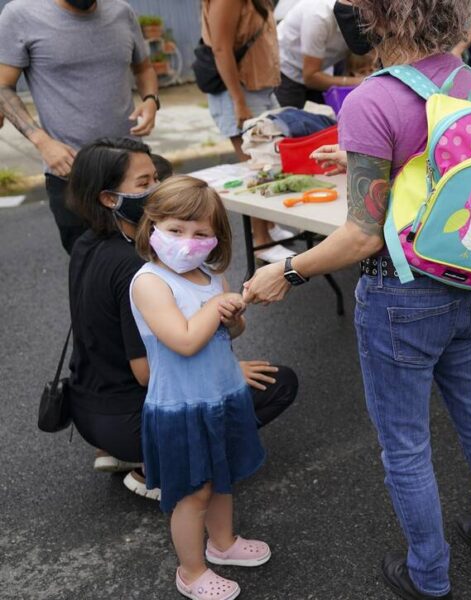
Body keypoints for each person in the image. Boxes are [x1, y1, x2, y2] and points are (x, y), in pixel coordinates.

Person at [244, 1, 471, 598]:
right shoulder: (461, 73)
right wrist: (362, 157)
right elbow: (441, 151)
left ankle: (429, 575)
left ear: (378, 18)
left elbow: (360, 235)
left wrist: (286, 271)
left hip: (402, 294)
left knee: (405, 443)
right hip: (469, 276)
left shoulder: (374, 98)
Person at [66, 140, 298, 501]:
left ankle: (123, 451)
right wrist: (227, 370)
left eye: (156, 177)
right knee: (279, 383)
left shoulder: (87, 243)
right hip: (136, 412)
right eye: (144, 184)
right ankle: (155, 468)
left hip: (89, 407)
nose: (157, 189)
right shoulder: (140, 271)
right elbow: (147, 371)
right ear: (109, 198)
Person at [130, 176, 270, 599]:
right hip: (181, 406)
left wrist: (233, 318)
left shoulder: (211, 276)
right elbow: (186, 340)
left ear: (216, 239)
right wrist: (214, 309)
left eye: (201, 233)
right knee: (193, 492)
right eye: (175, 230)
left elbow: (227, 333)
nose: (187, 241)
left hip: (222, 395)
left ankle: (223, 544)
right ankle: (191, 572)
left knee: (222, 477)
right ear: (152, 228)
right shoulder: (150, 282)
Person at [0, 0, 158, 255]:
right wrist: (42, 141)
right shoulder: (21, 13)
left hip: (132, 170)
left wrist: (151, 100)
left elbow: (144, 68)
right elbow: (2, 86)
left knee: (150, 260)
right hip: (72, 171)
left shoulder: (121, 11)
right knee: (90, 268)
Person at [202, 0, 296, 263]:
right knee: (257, 166)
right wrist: (238, 100)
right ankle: (261, 240)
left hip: (261, 88)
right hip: (241, 93)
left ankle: (268, 227)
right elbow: (221, 47)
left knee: (271, 164)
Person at [275, 0, 368, 108]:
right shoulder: (319, 16)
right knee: (291, 117)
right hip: (288, 69)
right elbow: (311, 77)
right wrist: (360, 81)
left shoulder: (363, 15)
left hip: (320, 66)